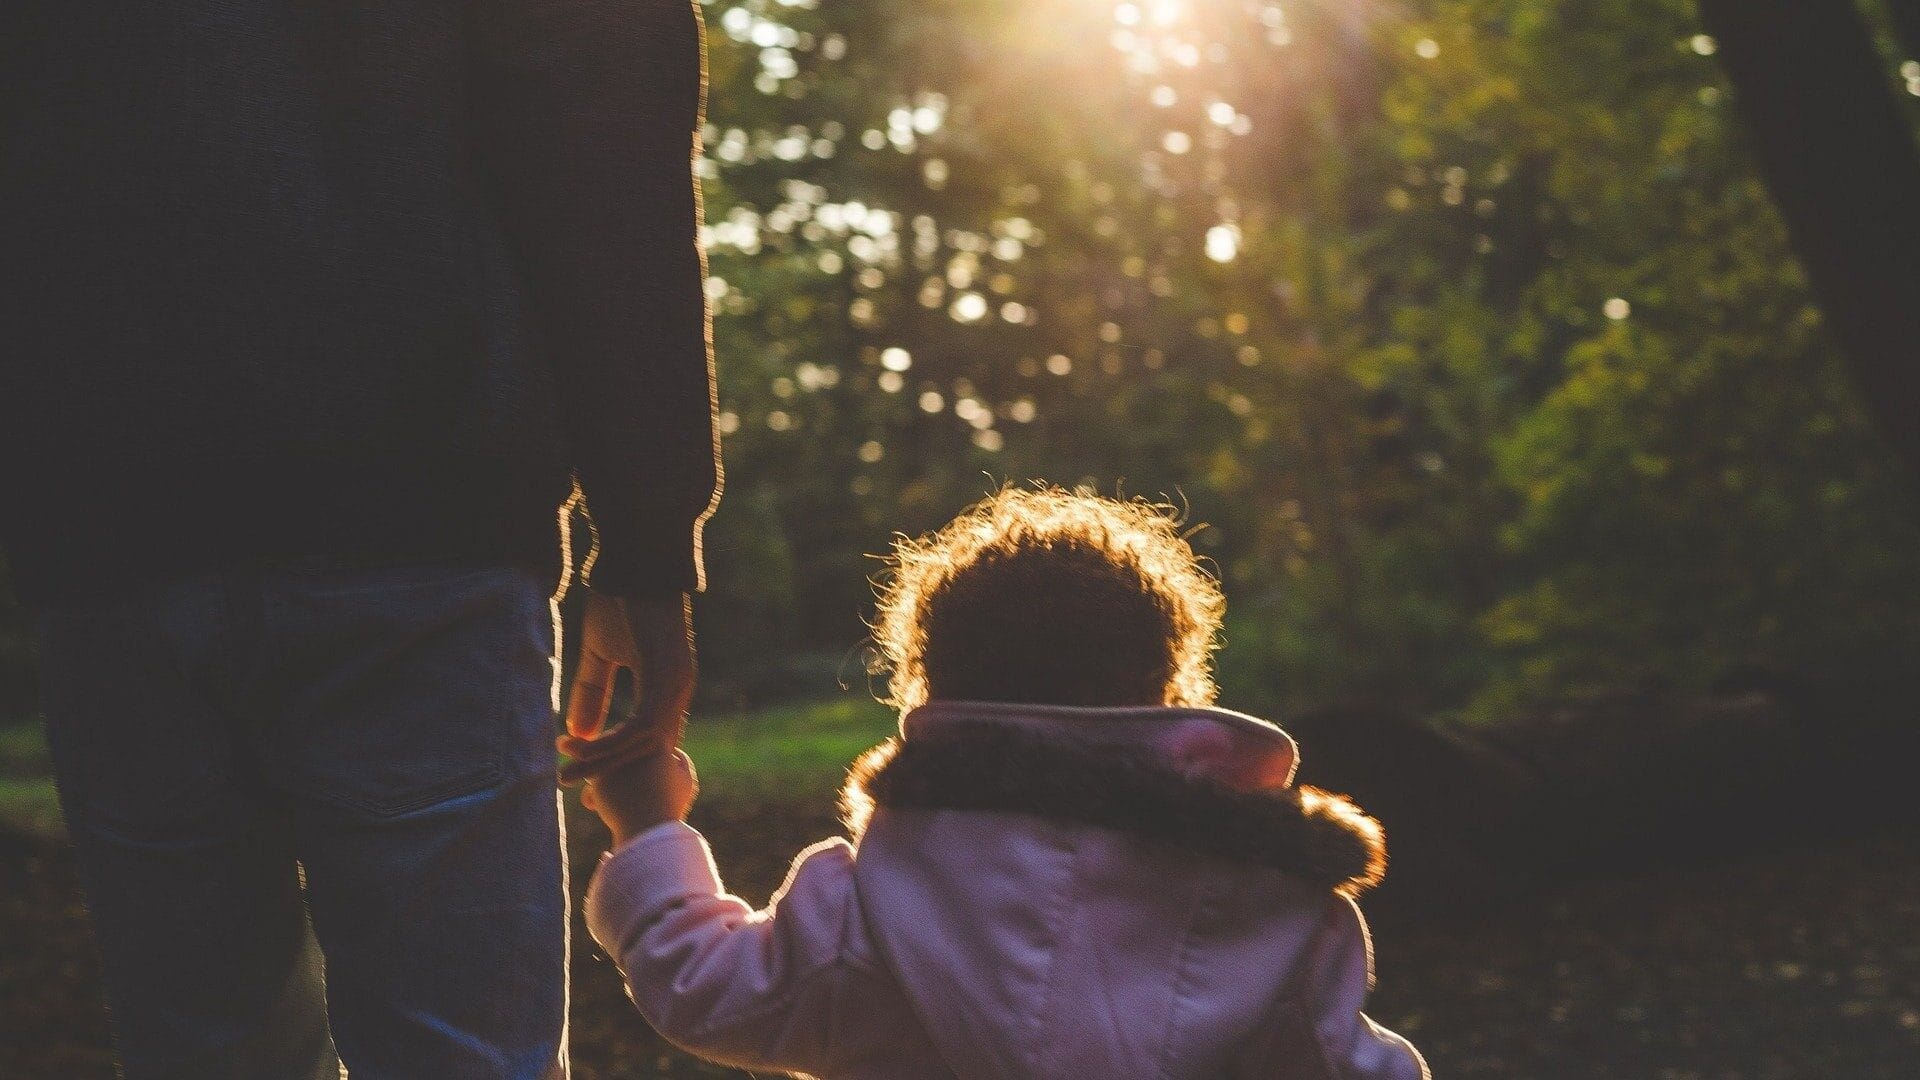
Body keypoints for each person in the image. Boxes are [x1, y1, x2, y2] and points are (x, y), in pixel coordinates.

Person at [0, 2, 719, 1076]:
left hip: (113, 533)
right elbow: (604, 139)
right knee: (462, 1056)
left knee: (205, 1052)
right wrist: (649, 533)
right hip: (415, 514)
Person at [573, 489, 1428, 1079]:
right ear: (1169, 694)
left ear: (931, 691)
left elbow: (705, 987)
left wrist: (651, 829)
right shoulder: (1273, 911)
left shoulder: (867, 908)